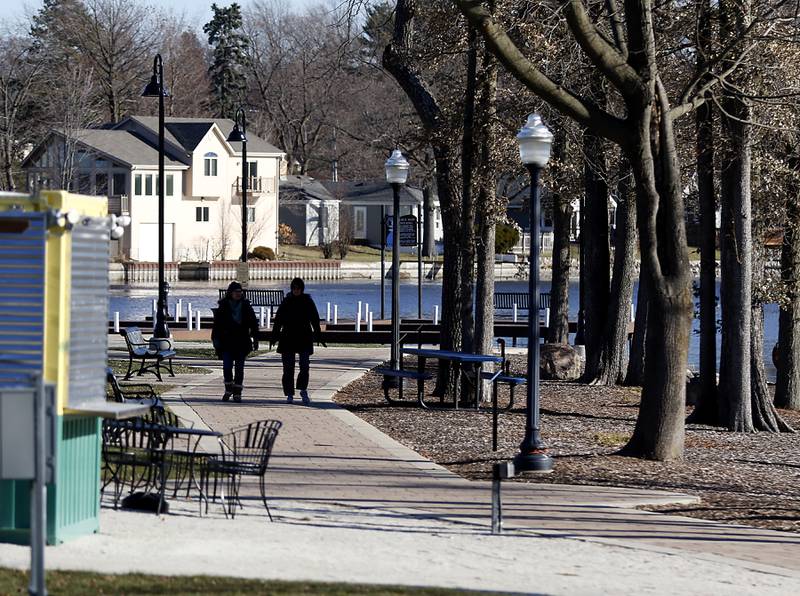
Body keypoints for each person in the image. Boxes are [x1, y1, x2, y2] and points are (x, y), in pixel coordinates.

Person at [271, 277, 324, 405]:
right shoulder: (286, 302)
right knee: (288, 368)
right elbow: (278, 321)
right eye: (294, 288)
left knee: (304, 366)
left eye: (298, 288)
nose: (296, 290)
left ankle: (303, 389)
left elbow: (315, 320)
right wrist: (274, 336)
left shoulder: (308, 301)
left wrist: (319, 335)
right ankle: (289, 393)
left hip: (304, 337)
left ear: (302, 289)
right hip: (288, 337)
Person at [211, 281, 259, 402]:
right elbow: (217, 326)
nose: (238, 294)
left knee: (239, 368)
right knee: (227, 367)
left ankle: (237, 392)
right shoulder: (223, 306)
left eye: (240, 292)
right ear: (230, 293)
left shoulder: (246, 306)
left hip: (241, 341)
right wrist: (215, 340)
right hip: (226, 342)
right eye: (236, 292)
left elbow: (253, 323)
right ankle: (228, 389)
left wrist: (255, 338)